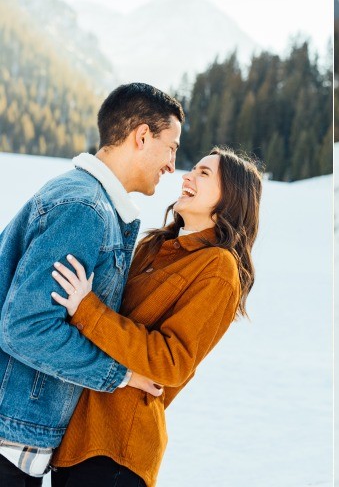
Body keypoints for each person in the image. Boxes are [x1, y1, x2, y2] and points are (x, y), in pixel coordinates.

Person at [46, 146, 262, 487]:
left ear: (229, 200)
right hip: (75, 438)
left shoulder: (218, 268)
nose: (187, 176)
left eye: (204, 173)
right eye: (193, 168)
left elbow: (171, 362)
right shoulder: (154, 246)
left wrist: (86, 309)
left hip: (118, 446)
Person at [0, 83, 181, 486]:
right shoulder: (85, 209)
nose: (172, 163)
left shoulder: (86, 199)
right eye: (171, 147)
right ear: (141, 136)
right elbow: (26, 328)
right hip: (9, 439)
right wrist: (119, 374)